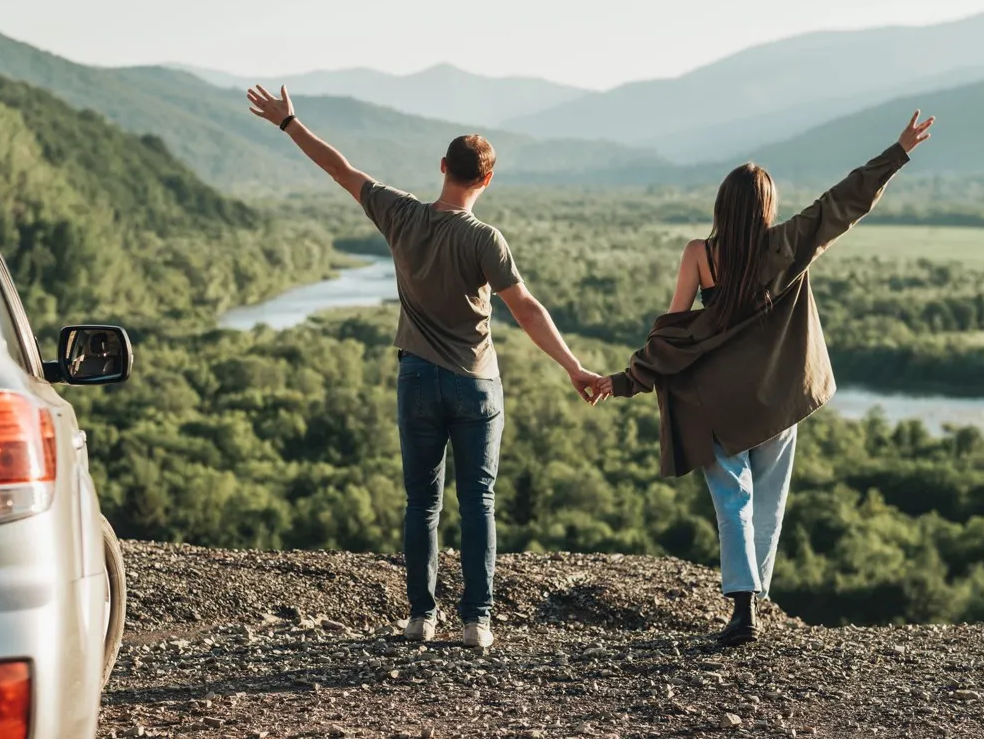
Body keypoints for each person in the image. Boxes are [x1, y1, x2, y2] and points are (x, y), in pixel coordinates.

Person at [247, 84, 603, 649]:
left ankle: (421, 616)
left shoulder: (401, 215)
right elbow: (526, 308)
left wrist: (289, 123)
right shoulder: (486, 239)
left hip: (416, 378)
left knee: (422, 502)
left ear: (442, 167)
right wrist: (573, 366)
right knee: (478, 501)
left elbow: (341, 169)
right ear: (486, 180)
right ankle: (477, 622)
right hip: (475, 382)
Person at [593, 110, 935, 647]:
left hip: (717, 406)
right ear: (767, 206)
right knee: (768, 506)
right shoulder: (787, 246)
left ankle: (743, 608)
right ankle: (754, 604)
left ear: (722, 206)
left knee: (734, 503)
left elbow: (672, 335)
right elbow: (844, 203)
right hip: (776, 401)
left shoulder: (699, 255)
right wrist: (898, 152)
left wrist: (623, 380)